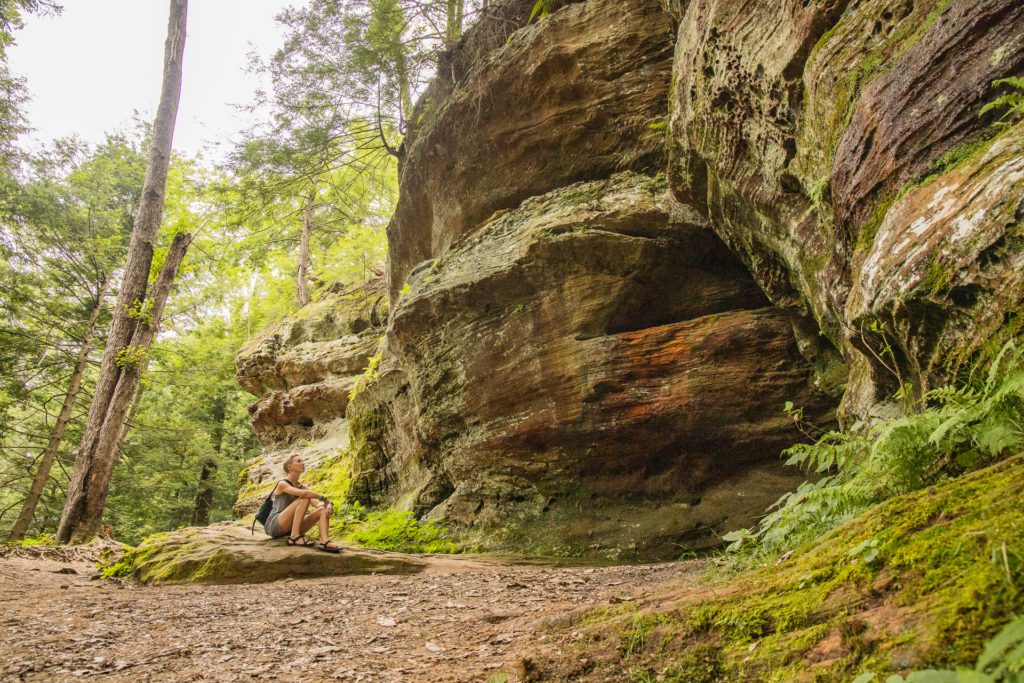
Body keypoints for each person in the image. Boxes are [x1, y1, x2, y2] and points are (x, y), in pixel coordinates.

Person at [264, 454, 341, 553]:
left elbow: (319, 505)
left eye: (302, 461)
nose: (303, 463)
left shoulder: (301, 486)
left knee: (322, 510)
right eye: (299, 461)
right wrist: (323, 498)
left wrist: (328, 504)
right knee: (304, 499)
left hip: (289, 527)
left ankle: (324, 541)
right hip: (274, 525)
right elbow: (305, 494)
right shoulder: (282, 484)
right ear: (290, 467)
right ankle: (295, 537)